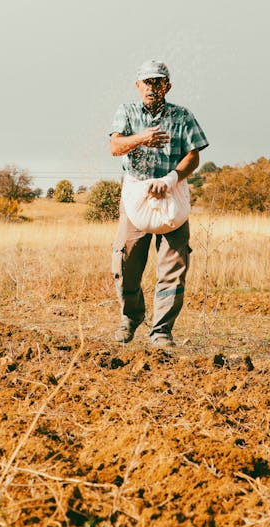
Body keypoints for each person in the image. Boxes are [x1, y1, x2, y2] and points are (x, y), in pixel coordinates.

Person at [110, 59, 209, 349]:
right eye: (148, 82)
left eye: (159, 82)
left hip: (171, 193)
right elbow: (116, 146)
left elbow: (194, 155)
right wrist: (142, 138)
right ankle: (132, 316)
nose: (153, 87)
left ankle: (161, 332)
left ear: (168, 85)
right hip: (136, 194)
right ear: (138, 85)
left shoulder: (182, 116)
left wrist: (171, 178)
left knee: (173, 266)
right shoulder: (126, 112)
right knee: (125, 262)